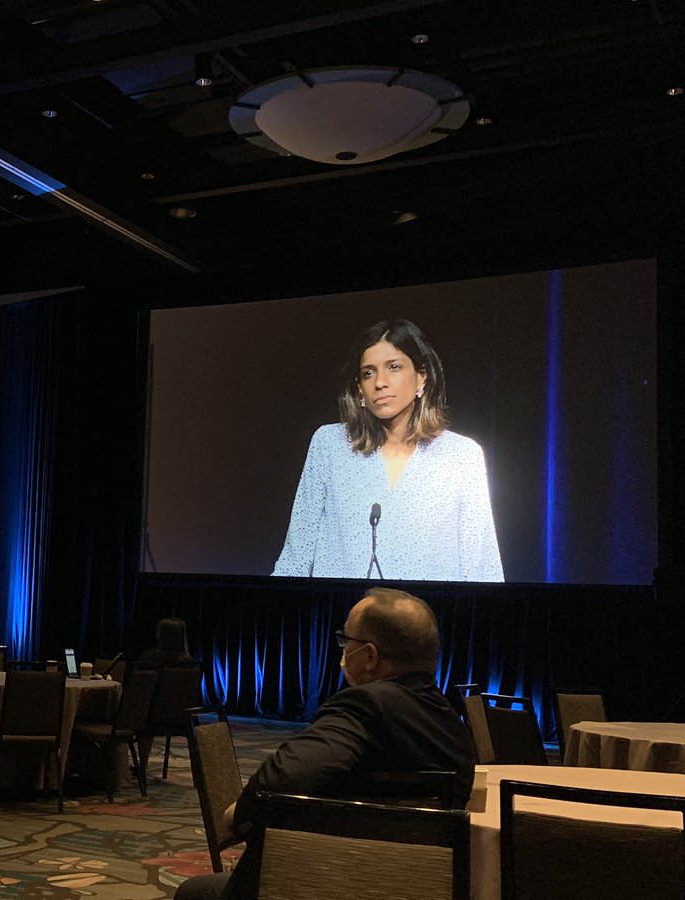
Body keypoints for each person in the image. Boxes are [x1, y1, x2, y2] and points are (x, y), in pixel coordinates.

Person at [174, 588, 476, 900]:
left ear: (370, 656)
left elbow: (281, 780)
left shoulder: (365, 705)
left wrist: (238, 817)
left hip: (329, 879)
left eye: (346, 642)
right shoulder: (452, 724)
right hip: (411, 885)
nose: (342, 652)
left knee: (193, 892)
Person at [272, 318, 503, 581]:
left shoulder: (461, 456)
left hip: (428, 617)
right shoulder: (330, 445)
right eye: (368, 373)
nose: (380, 382)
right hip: (343, 615)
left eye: (393, 367)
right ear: (359, 388)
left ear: (421, 377)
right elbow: (296, 555)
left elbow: (483, 567)